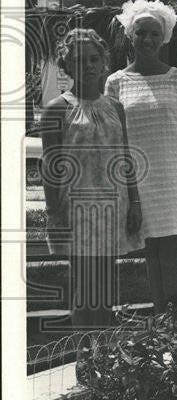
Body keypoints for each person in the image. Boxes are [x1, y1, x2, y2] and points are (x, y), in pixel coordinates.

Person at [106, 0, 177, 314]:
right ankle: (160, 314)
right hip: (137, 181)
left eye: (154, 34)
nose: (147, 40)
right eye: (141, 34)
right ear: (130, 37)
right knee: (150, 248)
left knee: (171, 250)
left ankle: (175, 316)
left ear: (164, 38)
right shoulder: (115, 82)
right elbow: (114, 141)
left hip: (174, 178)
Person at [41, 28, 143, 328]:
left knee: (105, 282)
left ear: (104, 63)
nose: (87, 65)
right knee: (84, 286)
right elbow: (51, 165)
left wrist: (134, 202)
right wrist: (54, 213)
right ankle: (84, 357)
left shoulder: (115, 107)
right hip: (76, 210)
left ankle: (103, 355)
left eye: (94, 59)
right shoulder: (56, 109)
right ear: (67, 66)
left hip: (113, 206)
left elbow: (125, 157)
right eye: (79, 60)